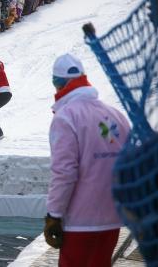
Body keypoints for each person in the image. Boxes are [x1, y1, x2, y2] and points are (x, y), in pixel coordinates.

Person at [44, 53, 130, 267]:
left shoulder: (66, 117)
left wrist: (54, 215)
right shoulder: (115, 115)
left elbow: (64, 172)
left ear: (58, 83)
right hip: (112, 217)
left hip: (80, 221)